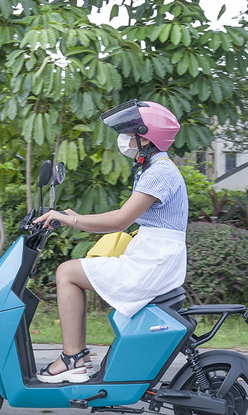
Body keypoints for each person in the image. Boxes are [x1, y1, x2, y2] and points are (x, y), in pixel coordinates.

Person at [32, 99, 188, 383]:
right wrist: (72, 217)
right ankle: (75, 356)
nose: (124, 139)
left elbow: (120, 220)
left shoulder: (159, 172)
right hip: (152, 256)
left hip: (154, 263)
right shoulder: (153, 168)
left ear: (145, 137)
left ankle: (72, 359)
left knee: (66, 272)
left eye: (129, 133)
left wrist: (72, 219)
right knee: (71, 272)